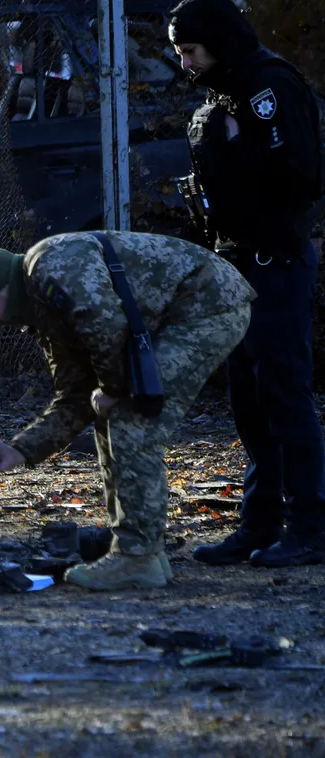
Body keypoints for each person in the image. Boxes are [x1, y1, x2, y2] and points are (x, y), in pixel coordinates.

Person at [0, 232, 254, 590]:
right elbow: (77, 397)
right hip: (189, 310)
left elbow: (105, 321)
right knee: (113, 411)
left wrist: (114, 389)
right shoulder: (44, 312)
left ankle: (135, 556)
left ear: (0, 287)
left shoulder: (48, 264)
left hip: (207, 302)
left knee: (131, 413)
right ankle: (145, 553)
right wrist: (21, 449)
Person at [170, 0, 325, 567]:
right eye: (180, 53)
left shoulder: (269, 88)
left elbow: (301, 173)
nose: (185, 64)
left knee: (285, 394)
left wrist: (237, 146)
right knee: (249, 404)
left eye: (191, 51)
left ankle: (310, 527)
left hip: (275, 263)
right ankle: (259, 526)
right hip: (234, 266)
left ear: (219, 43)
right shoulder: (223, 99)